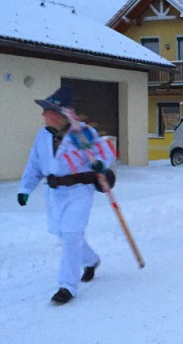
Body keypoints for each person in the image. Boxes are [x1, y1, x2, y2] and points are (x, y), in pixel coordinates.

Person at [17, 86, 115, 304]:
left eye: (47, 110)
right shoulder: (42, 136)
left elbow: (104, 152)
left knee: (71, 235)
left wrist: (101, 162)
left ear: (60, 114)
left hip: (78, 192)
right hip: (55, 194)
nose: (42, 114)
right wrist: (25, 189)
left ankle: (67, 286)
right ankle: (92, 261)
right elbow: (34, 165)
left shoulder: (81, 134)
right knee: (67, 236)